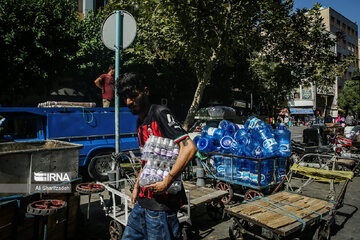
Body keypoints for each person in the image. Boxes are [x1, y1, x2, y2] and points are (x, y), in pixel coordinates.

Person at [117, 72, 197, 240]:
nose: (129, 102)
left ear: (145, 91)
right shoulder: (140, 122)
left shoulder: (160, 113)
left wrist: (167, 182)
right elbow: (147, 161)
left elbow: (189, 148)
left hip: (161, 206)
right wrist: (137, 188)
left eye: (133, 96)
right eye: (125, 98)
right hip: (142, 202)